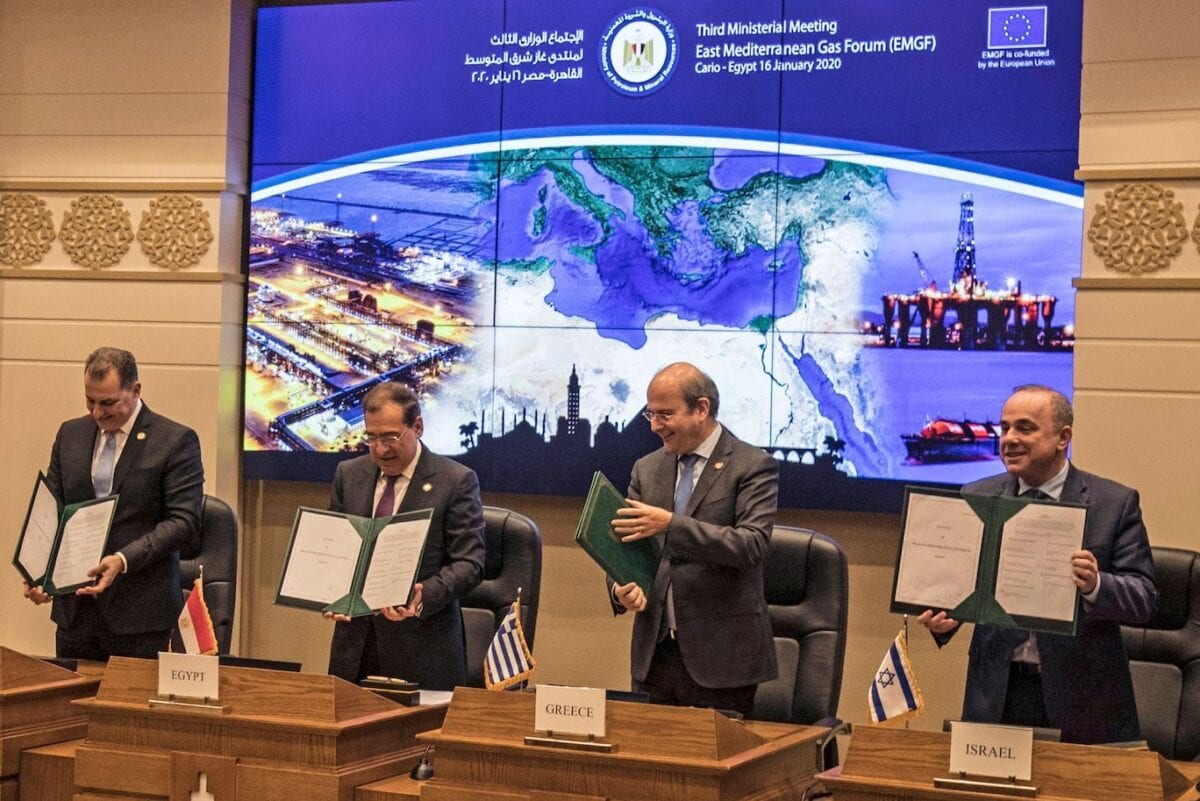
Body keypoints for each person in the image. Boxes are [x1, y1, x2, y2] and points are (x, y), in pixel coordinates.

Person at [917, 384, 1156, 744]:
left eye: (1025, 428)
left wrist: (1095, 585)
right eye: (1005, 427)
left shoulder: (1114, 503)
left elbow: (1144, 599)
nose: (1009, 439)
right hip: (997, 693)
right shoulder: (976, 496)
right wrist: (945, 619)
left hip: (1083, 700)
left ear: (1063, 437)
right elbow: (964, 588)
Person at [608, 362, 778, 716]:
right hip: (653, 656)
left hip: (721, 662)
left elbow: (751, 544)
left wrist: (672, 525)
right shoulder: (647, 468)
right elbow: (628, 545)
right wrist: (620, 587)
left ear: (701, 409)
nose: (656, 427)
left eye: (665, 415)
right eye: (650, 416)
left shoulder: (753, 465)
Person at [22, 347, 204, 660]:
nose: (96, 412)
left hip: (139, 617)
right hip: (75, 614)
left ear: (135, 390)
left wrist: (122, 559)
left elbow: (184, 522)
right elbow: (52, 511)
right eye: (89, 400)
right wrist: (39, 571)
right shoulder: (71, 434)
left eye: (107, 402)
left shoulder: (174, 441)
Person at [326, 381, 485, 690]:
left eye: (390, 436)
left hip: (422, 653)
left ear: (418, 427)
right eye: (371, 437)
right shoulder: (348, 474)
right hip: (353, 652)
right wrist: (327, 587)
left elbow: (470, 563)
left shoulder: (455, 480)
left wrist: (423, 594)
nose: (381, 449)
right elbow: (337, 549)